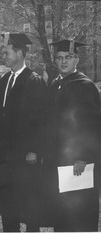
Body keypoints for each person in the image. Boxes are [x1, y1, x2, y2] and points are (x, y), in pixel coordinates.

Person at [0, 33, 47, 232]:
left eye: (7, 52)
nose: (3, 56)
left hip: (24, 156)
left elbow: (40, 120)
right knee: (8, 203)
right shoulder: (2, 81)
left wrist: (34, 149)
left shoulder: (34, 81)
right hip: (4, 157)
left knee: (29, 203)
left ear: (20, 53)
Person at [42, 39, 101, 232]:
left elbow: (93, 126)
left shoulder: (85, 86)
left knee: (80, 214)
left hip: (77, 163)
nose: (63, 61)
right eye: (59, 58)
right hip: (57, 160)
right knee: (61, 214)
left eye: (68, 57)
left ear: (76, 59)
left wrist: (84, 157)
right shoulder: (55, 84)